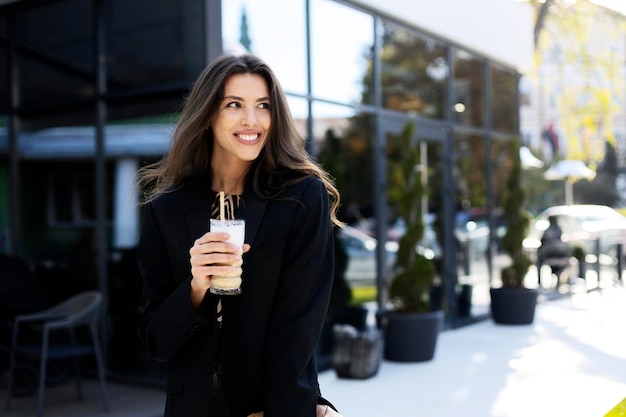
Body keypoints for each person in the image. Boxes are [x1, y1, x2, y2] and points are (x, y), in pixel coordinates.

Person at [135, 52, 343, 417]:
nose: (252, 120)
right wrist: (196, 286)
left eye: (263, 106)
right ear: (208, 114)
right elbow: (157, 341)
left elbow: (298, 327)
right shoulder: (164, 211)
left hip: (271, 404)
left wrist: (286, 410)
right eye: (234, 104)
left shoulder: (300, 197)